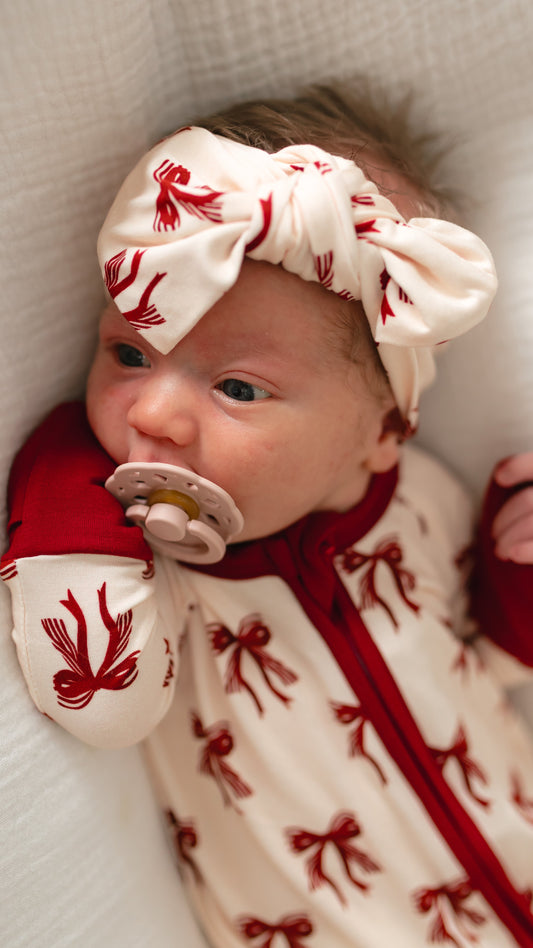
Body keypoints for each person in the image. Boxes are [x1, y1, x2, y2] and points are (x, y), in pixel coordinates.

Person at [3, 83, 533, 946]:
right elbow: (104, 701)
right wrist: (64, 459)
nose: (153, 416)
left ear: (382, 430)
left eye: (237, 387)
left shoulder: (421, 505)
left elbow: (487, 665)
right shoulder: (165, 580)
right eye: (130, 353)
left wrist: (517, 581)